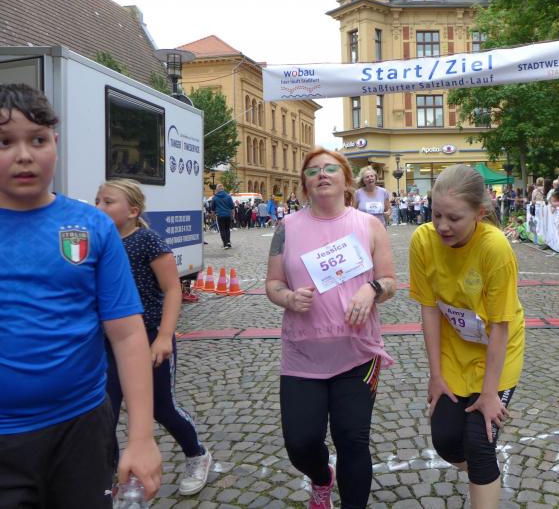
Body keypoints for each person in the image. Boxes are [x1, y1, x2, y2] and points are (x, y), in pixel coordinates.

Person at [0, 84, 161, 504]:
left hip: (81, 427)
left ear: (55, 142)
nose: (24, 155)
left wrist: (141, 437)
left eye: (38, 140)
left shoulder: (92, 226)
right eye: (4, 142)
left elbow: (127, 333)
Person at [266, 147, 397, 509]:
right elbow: (272, 284)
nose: (321, 175)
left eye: (330, 169)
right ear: (304, 185)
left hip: (358, 354)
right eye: (312, 171)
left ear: (346, 180)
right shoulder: (286, 228)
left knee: (352, 440)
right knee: (300, 443)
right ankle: (322, 477)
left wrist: (371, 290)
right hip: (303, 354)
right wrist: (289, 298)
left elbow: (389, 281)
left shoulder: (369, 225)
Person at [408, 164, 524, 509]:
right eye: (436, 214)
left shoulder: (495, 248)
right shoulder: (423, 241)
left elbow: (500, 325)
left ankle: (484, 478)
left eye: (454, 218)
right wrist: (436, 376)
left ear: (479, 213)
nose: (442, 226)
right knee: (445, 441)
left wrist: (489, 393)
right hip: (454, 350)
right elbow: (429, 310)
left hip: (498, 350)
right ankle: (484, 477)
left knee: (479, 440)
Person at [96, 179, 212, 497]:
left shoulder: (147, 240)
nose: (99, 207)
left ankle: (197, 454)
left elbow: (172, 289)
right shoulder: (98, 242)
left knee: (161, 408)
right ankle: (110, 479)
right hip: (107, 341)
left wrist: (164, 336)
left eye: (108, 202)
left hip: (149, 336)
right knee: (105, 412)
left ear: (133, 211)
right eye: (97, 201)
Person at [212, 183, 234, 248]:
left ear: (217, 189)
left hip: (220, 215)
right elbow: (232, 207)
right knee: (227, 229)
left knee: (222, 230)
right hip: (228, 215)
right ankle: (228, 242)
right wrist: (232, 216)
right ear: (223, 189)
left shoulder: (215, 197)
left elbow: (212, 209)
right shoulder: (228, 196)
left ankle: (225, 244)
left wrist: (213, 217)